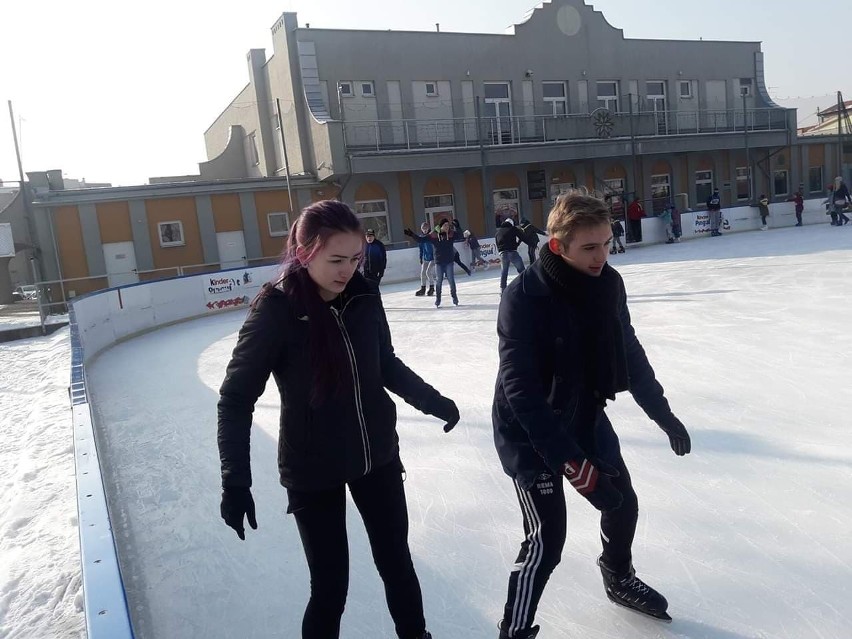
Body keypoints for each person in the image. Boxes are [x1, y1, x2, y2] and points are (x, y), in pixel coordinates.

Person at [217, 200, 460, 639]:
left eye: (355, 258)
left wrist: (433, 400)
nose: (347, 269)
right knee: (331, 587)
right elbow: (235, 399)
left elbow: (384, 363)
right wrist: (235, 478)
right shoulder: (277, 311)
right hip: (314, 471)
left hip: (377, 458)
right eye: (336, 259)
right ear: (305, 251)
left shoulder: (365, 295)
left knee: (397, 564)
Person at [492, 192, 692, 639]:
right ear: (559, 246)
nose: (602, 255)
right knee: (547, 542)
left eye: (606, 242)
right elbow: (521, 393)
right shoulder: (523, 297)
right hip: (529, 430)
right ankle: (515, 629)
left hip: (584, 410)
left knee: (624, 503)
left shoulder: (609, 283)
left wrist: (663, 413)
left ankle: (617, 575)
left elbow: (628, 350)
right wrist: (575, 467)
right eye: (590, 247)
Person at [405, 218, 464, 307]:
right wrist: (412, 234)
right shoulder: (434, 235)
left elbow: (461, 236)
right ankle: (438, 299)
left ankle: (454, 298)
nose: (447, 227)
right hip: (439, 262)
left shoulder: (451, 234)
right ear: (441, 226)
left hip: (449, 262)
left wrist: (458, 227)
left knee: (451, 280)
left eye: (448, 225)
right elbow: (421, 240)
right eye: (445, 225)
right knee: (439, 281)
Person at [495, 217, 527, 293]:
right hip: (512, 251)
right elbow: (522, 236)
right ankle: (526, 284)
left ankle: (502, 289)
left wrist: (500, 252)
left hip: (503, 253)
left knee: (504, 272)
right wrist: (517, 244)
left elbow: (497, 243)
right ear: (511, 224)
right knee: (521, 269)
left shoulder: (498, 232)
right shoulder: (513, 229)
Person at [412, 221, 436, 297]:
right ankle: (423, 288)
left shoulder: (431, 236)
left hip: (433, 258)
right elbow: (421, 249)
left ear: (429, 228)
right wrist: (420, 258)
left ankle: (432, 287)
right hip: (426, 258)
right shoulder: (421, 238)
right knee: (422, 273)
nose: (425, 230)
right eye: (423, 228)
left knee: (428, 272)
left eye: (426, 228)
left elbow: (435, 247)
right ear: (421, 229)